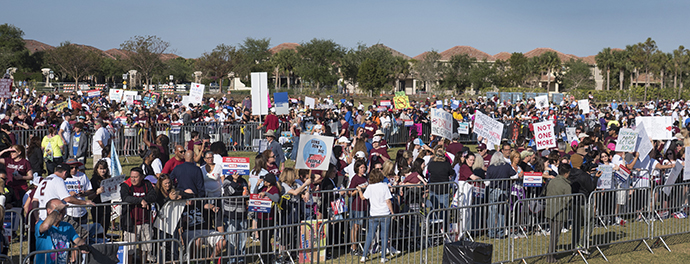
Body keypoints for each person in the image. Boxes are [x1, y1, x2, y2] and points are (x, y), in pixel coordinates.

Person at [357, 169, 398, 263]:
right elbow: (388, 201)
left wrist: (359, 190)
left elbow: (363, 197)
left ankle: (364, 256)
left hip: (374, 214)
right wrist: (392, 212)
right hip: (384, 213)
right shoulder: (384, 186)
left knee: (370, 235)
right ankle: (383, 257)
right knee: (384, 235)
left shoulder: (370, 187)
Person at [120, 167, 157, 264]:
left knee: (145, 248)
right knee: (130, 250)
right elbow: (125, 197)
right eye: (132, 177)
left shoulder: (147, 184)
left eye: (136, 177)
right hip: (131, 223)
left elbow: (153, 195)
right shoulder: (125, 185)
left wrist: (145, 200)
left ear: (141, 177)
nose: (133, 179)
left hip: (145, 221)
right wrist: (140, 201)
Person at [35, 199, 88, 264]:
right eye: (59, 209)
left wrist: (82, 244)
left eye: (63, 209)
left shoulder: (67, 226)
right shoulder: (40, 224)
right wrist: (57, 210)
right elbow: (46, 226)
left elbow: (77, 240)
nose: (62, 211)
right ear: (49, 211)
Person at [545, 164, 572, 263]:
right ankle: (550, 256)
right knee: (555, 235)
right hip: (559, 212)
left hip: (549, 210)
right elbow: (568, 201)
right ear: (566, 173)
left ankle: (552, 253)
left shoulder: (551, 181)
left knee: (553, 233)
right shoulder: (566, 185)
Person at [486, 152, 516, 238]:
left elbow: (487, 182)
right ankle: (501, 232)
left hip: (493, 190)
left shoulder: (491, 167)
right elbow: (515, 175)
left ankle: (491, 232)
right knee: (502, 212)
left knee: (492, 211)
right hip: (504, 190)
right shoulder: (507, 166)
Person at [222, 171, 249, 264]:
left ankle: (241, 258)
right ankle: (231, 259)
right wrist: (234, 180)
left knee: (243, 239)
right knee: (231, 239)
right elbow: (229, 192)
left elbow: (246, 195)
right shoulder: (227, 180)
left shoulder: (244, 181)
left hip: (242, 213)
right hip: (231, 214)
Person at [63, 158, 93, 239]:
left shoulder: (83, 176)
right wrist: (68, 193)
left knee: (82, 236)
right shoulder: (63, 177)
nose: (74, 169)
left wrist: (84, 193)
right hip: (69, 212)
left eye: (76, 167)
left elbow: (90, 189)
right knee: (70, 235)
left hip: (81, 212)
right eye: (71, 168)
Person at [348, 159, 368, 256]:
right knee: (355, 227)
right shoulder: (355, 178)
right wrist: (358, 189)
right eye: (361, 168)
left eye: (364, 167)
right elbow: (349, 193)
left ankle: (357, 244)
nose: (363, 169)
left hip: (364, 205)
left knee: (360, 227)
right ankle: (353, 247)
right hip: (356, 206)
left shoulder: (365, 178)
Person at [89, 160, 113, 233]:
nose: (103, 171)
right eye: (101, 169)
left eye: (104, 169)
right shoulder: (93, 180)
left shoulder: (109, 179)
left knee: (105, 226)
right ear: (97, 169)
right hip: (97, 206)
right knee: (98, 227)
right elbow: (89, 197)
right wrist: (97, 192)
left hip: (107, 205)